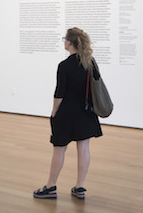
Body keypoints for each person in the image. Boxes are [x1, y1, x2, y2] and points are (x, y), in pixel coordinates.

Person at [33, 27, 102, 200]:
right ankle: (79, 187)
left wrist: (53, 113)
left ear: (70, 43)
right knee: (84, 148)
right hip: (86, 112)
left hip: (66, 114)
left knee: (59, 149)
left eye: (64, 39)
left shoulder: (64, 66)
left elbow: (59, 93)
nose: (63, 41)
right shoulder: (90, 62)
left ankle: (50, 187)